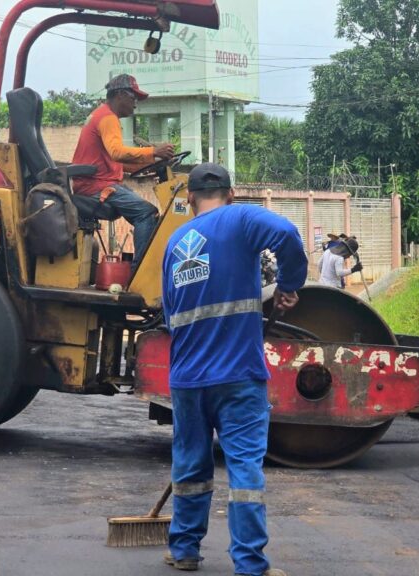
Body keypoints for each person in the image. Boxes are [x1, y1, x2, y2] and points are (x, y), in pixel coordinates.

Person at [161, 163, 307, 576]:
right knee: (244, 470)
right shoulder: (240, 218)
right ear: (231, 193)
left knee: (190, 466)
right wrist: (289, 284)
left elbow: (170, 315)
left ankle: (184, 550)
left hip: (187, 378)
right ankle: (249, 564)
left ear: (190, 198)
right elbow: (286, 234)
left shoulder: (175, 243)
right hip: (238, 374)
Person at [71, 73, 175, 269]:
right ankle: (140, 272)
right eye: (133, 98)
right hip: (95, 187)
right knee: (147, 213)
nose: (135, 104)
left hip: (99, 183)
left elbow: (115, 161)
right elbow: (117, 152)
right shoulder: (107, 118)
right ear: (120, 95)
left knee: (145, 211)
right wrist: (154, 151)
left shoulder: (101, 115)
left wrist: (152, 162)